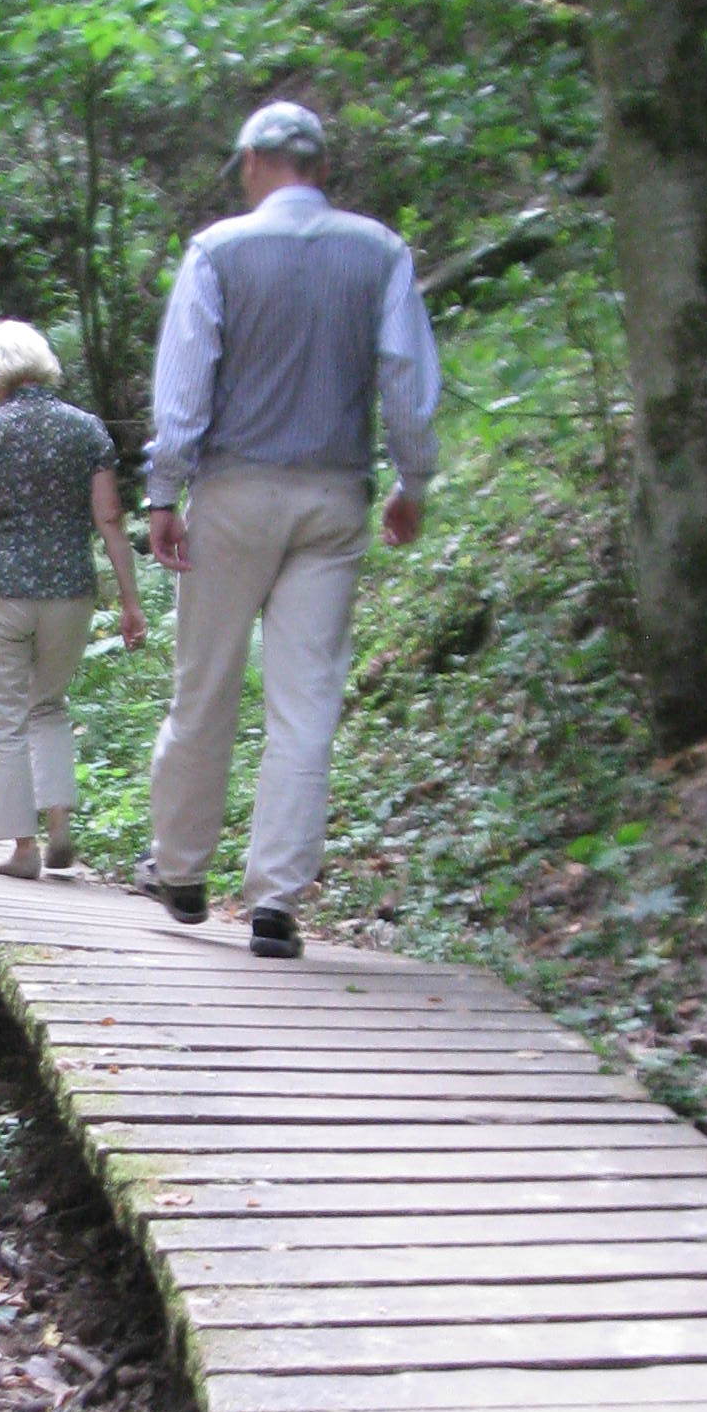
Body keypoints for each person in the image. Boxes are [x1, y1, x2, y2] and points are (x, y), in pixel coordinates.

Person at [139, 100, 443, 959]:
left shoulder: (218, 251)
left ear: (251, 164)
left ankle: (181, 871)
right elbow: (406, 379)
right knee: (305, 703)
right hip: (334, 499)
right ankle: (275, 902)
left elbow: (185, 388)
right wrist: (413, 481)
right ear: (321, 167)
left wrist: (162, 492)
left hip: (234, 491)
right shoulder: (380, 252)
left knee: (205, 686)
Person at [0, 320, 147, 879]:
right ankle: (59, 825)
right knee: (48, 705)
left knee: (1, 719)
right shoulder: (86, 429)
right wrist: (130, 601)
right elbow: (110, 517)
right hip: (69, 590)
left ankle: (23, 849)